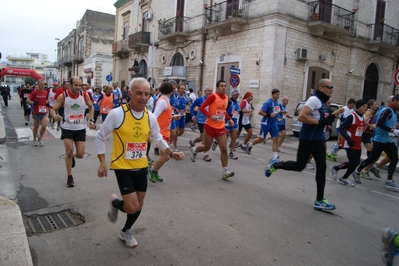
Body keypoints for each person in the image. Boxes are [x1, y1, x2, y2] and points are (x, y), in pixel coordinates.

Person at [96, 78, 184, 248]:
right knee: (132, 206)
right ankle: (116, 203)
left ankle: (125, 230)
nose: (143, 97)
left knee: (138, 206)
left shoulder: (150, 117)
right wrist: (102, 162)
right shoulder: (117, 114)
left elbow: (156, 138)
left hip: (141, 165)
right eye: (139, 93)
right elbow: (100, 136)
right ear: (129, 94)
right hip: (122, 166)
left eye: (146, 93)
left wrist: (171, 153)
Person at [265, 79, 337, 211]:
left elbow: (324, 118)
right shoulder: (314, 100)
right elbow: (301, 117)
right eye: (329, 86)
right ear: (321, 88)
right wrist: (320, 122)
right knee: (299, 166)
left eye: (332, 87)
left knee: (322, 167)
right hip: (308, 139)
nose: (332, 89)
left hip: (318, 139)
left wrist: (334, 115)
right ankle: (275, 164)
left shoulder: (323, 102)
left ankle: (319, 200)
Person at [51, 76, 96, 187]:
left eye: (80, 85)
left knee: (80, 154)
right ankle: (70, 177)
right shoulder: (63, 96)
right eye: (76, 85)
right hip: (67, 127)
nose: (78, 87)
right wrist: (55, 116)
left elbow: (91, 107)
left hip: (80, 128)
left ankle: (71, 158)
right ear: (70, 85)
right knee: (69, 151)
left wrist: (91, 120)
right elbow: (53, 109)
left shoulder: (84, 95)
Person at [351, 94, 399, 191]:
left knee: (394, 158)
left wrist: (394, 128)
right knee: (372, 158)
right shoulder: (387, 110)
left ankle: (389, 181)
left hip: (388, 140)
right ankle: (357, 170)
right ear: (395, 101)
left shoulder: (394, 112)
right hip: (380, 139)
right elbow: (380, 123)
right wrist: (392, 130)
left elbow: (388, 123)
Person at [190, 80, 235, 179]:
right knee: (206, 147)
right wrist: (210, 116)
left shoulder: (227, 98)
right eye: (222, 86)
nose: (224, 87)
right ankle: (194, 150)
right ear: (217, 87)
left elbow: (223, 111)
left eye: (225, 86)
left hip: (220, 127)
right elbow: (202, 108)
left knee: (223, 148)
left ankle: (225, 171)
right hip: (210, 126)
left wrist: (229, 119)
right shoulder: (213, 96)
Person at [148, 82, 183, 183]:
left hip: (165, 132)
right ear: (171, 90)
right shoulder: (163, 101)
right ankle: (152, 170)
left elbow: (163, 116)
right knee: (166, 155)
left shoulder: (165, 100)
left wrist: (172, 117)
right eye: (174, 88)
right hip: (161, 133)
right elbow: (154, 116)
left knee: (163, 155)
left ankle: (154, 171)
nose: (175, 89)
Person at [329, 100, 368, 187]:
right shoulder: (352, 116)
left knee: (356, 162)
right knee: (353, 162)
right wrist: (348, 138)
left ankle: (344, 178)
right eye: (364, 106)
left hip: (357, 143)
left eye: (366, 106)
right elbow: (342, 128)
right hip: (349, 143)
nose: (366, 108)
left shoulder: (363, 117)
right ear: (359, 107)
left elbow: (360, 130)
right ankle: (335, 168)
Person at [245, 89, 281, 161]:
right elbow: (260, 112)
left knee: (275, 139)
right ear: (272, 94)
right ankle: (249, 145)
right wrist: (268, 114)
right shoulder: (268, 102)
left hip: (274, 124)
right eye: (276, 94)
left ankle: (275, 157)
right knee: (261, 139)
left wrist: (278, 118)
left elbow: (276, 113)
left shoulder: (278, 103)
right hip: (266, 123)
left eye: (279, 94)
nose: (278, 96)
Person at [189, 86, 213, 162]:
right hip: (201, 120)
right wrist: (193, 115)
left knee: (201, 136)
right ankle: (205, 154)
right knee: (204, 137)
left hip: (208, 120)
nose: (210, 92)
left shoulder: (212, 100)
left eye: (211, 91)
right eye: (208, 91)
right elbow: (191, 107)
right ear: (204, 92)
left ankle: (193, 142)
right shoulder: (200, 99)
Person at [26, 79, 49, 146]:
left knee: (44, 126)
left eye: (44, 84)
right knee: (36, 127)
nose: (43, 85)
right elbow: (27, 100)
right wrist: (33, 103)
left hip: (43, 112)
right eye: (41, 84)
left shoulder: (45, 92)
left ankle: (40, 138)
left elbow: (46, 100)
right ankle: (34, 139)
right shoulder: (34, 92)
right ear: (38, 85)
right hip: (36, 112)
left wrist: (46, 103)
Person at [225, 89, 240, 160]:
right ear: (232, 94)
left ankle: (231, 152)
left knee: (234, 137)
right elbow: (224, 110)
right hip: (227, 122)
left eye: (238, 95)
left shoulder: (238, 103)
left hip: (234, 122)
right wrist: (229, 116)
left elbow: (237, 112)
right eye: (235, 94)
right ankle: (217, 142)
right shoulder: (229, 101)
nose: (237, 96)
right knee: (225, 138)